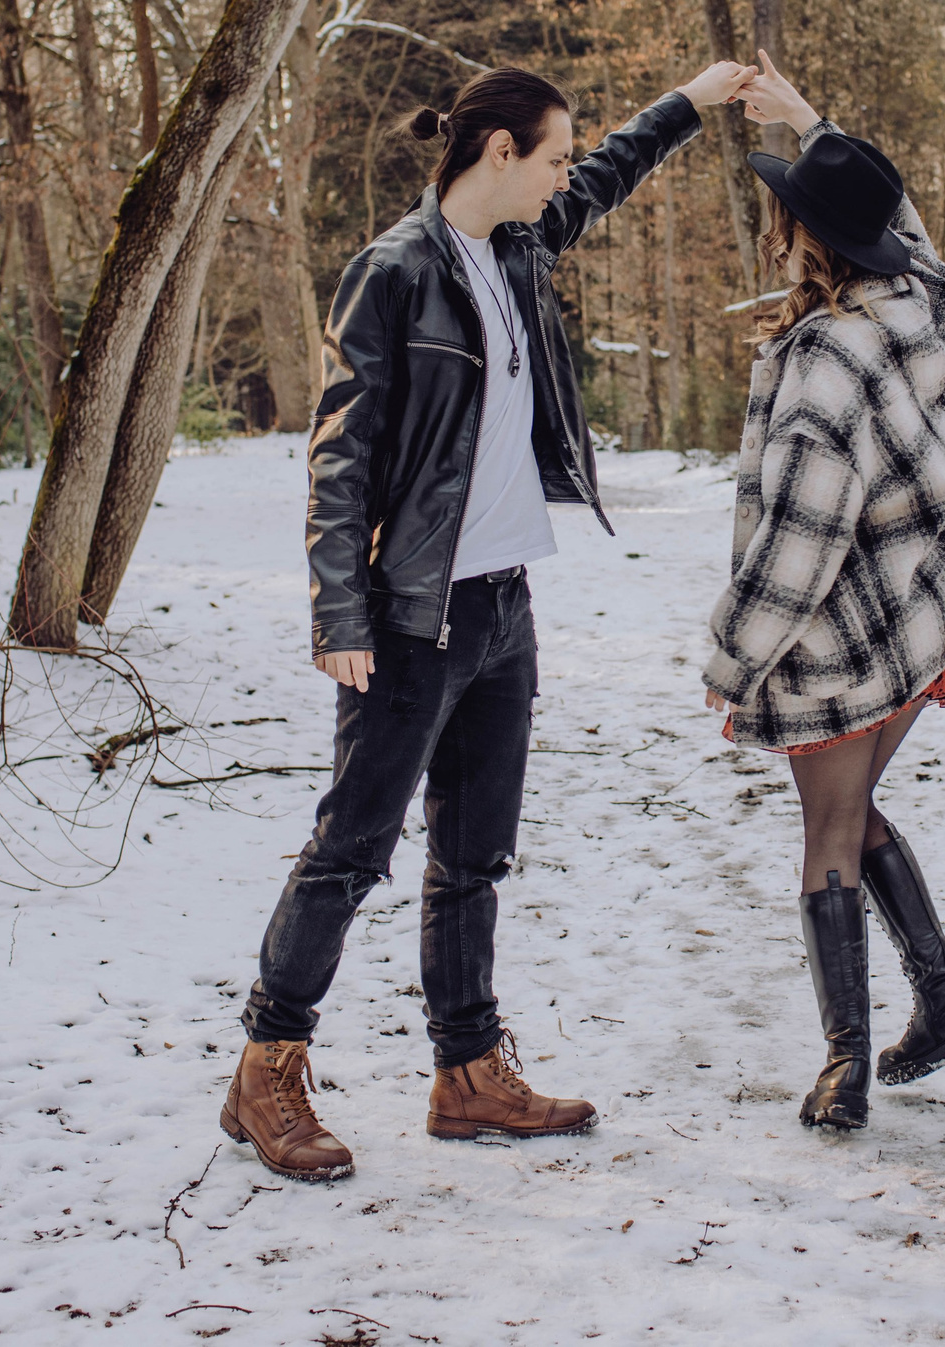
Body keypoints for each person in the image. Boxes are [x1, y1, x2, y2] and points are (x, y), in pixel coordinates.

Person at [222, 58, 757, 1182]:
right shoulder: (395, 272)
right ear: (498, 153)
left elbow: (609, 176)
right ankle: (266, 1067)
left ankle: (467, 1076)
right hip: (412, 614)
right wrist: (339, 610)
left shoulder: (515, 246)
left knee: (474, 856)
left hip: (504, 602)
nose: (567, 173)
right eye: (551, 155)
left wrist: (691, 105)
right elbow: (340, 456)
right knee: (351, 851)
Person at [701, 52, 945, 1132]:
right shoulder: (920, 302)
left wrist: (730, 657)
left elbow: (798, 540)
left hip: (841, 635)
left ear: (805, 240)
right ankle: (943, 1001)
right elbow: (903, 222)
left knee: (828, 834)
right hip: (926, 614)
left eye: (787, 211)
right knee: (851, 814)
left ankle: (845, 1069)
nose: (777, 224)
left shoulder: (826, 364)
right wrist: (810, 120)